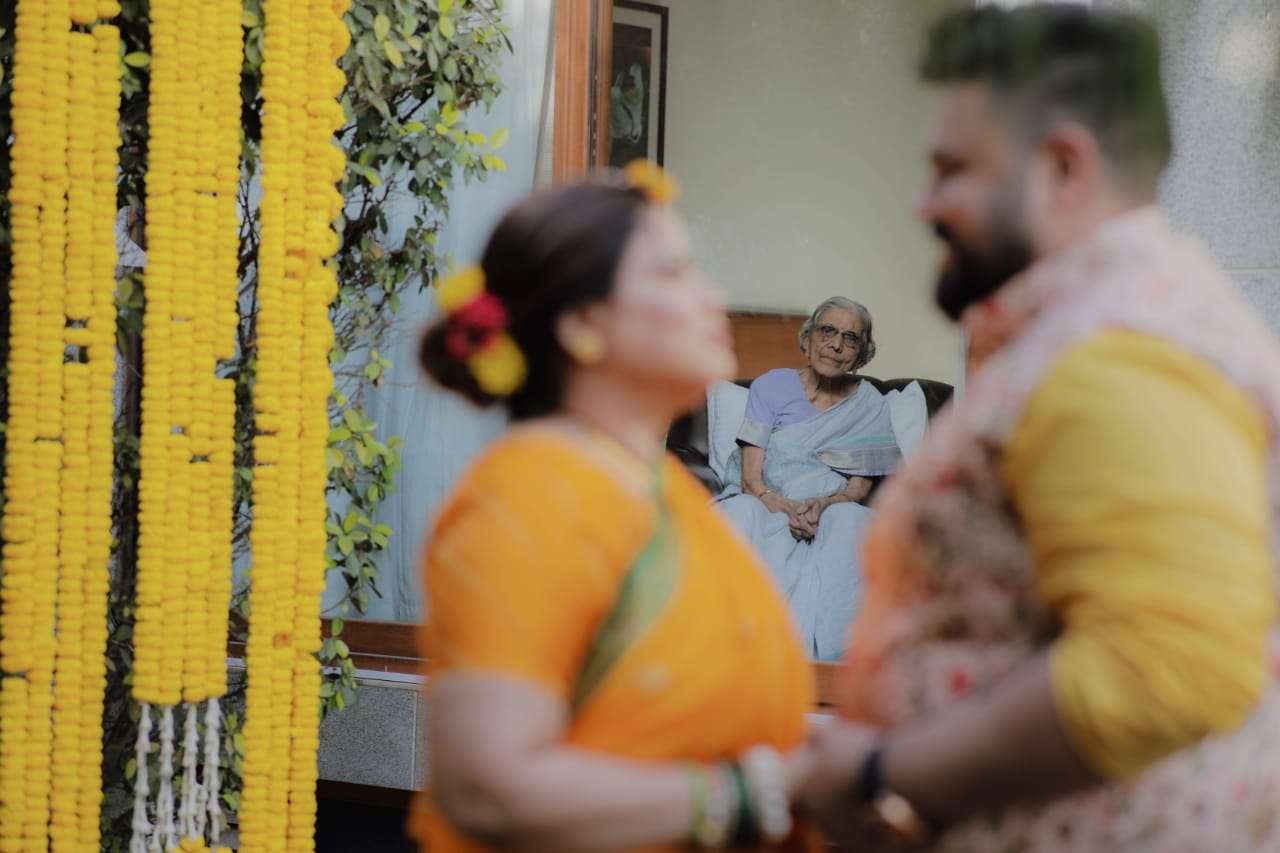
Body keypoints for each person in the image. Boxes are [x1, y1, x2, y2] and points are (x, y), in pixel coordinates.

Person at [801, 7, 1280, 851]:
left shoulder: (1120, 352)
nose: (923, 203)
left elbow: (1166, 664)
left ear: (1061, 166)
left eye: (950, 169)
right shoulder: (1100, 331)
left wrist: (884, 772)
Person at [413, 163, 821, 852]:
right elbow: (488, 786)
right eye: (673, 272)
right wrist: (760, 793)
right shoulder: (533, 494)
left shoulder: (661, 490)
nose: (712, 296)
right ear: (581, 323)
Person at [717, 298, 899, 660]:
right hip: (767, 501)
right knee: (737, 513)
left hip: (827, 512)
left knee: (852, 520)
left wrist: (821, 506)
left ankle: (831, 661)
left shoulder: (870, 404)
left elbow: (857, 490)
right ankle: (731, 648)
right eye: (827, 331)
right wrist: (786, 507)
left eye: (850, 338)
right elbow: (751, 479)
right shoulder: (771, 386)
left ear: (862, 352)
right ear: (809, 337)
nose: (836, 344)